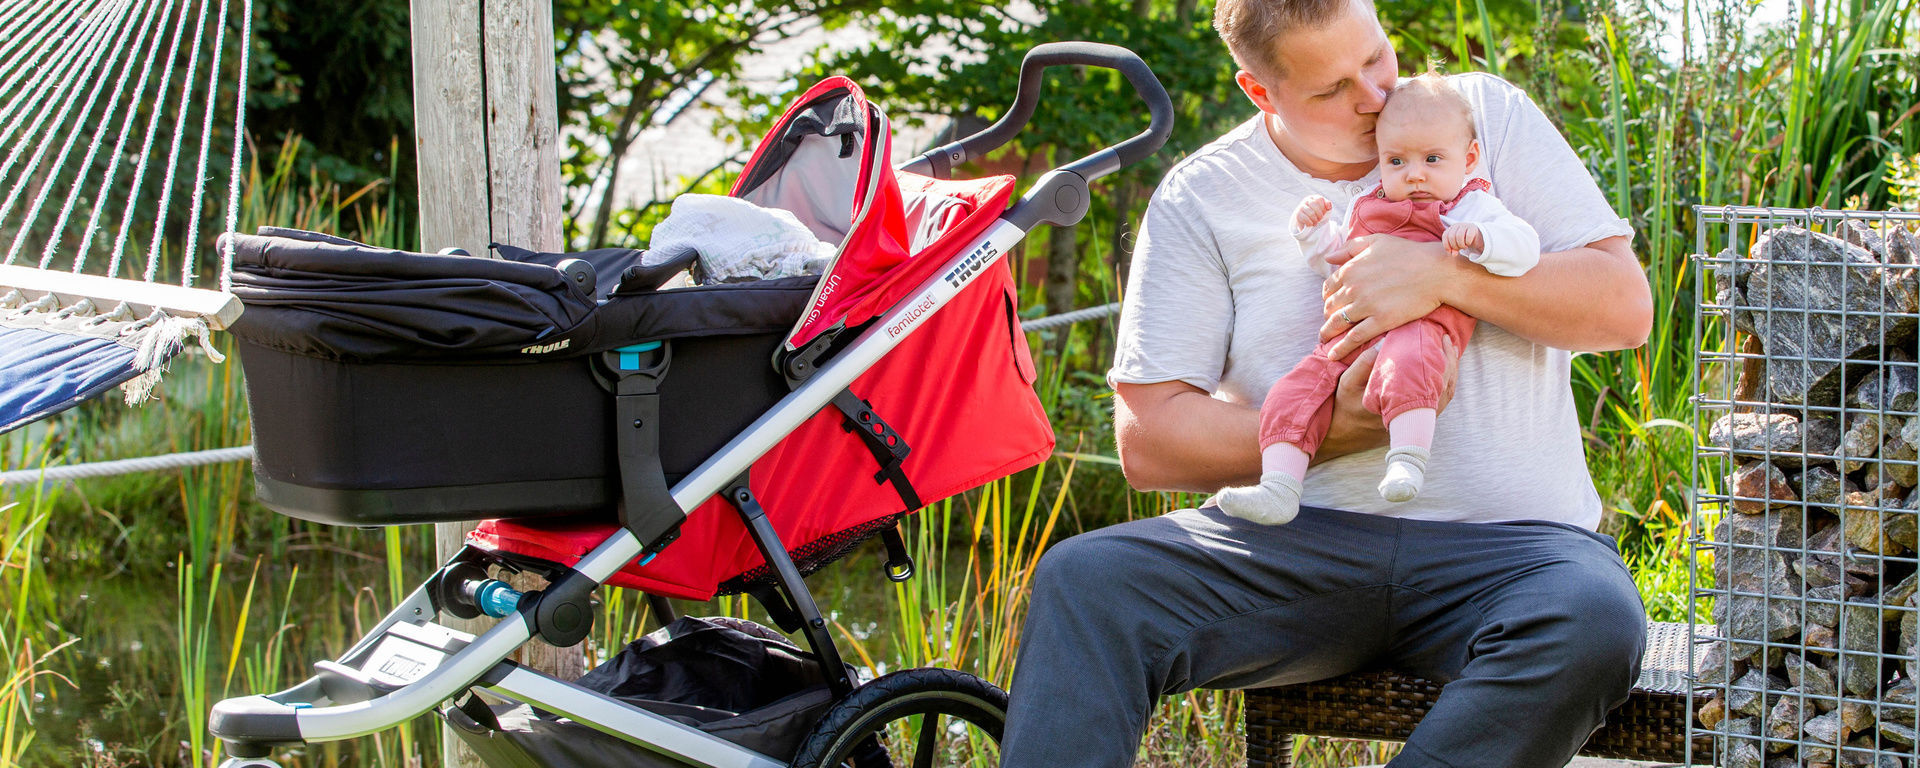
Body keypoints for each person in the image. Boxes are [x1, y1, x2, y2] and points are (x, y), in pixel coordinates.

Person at [997, 0, 1654, 765]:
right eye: (1333, 87)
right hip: (1293, 550)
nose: (1375, 96)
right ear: (1260, 92)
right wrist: (1336, 426)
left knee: (1594, 618)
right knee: (1086, 583)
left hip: (1515, 555)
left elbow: (1623, 307)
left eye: (1376, 57)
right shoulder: (1204, 193)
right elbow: (1149, 441)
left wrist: (1442, 274)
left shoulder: (1483, 118)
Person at [1215, 74, 1541, 526]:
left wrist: (1484, 240)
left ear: (1468, 159)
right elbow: (1336, 263)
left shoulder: (1468, 207)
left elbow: (1525, 247)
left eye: (1432, 158)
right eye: (1396, 160)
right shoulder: (1368, 207)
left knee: (1411, 359)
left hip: (1420, 326)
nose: (1414, 174)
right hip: (1345, 339)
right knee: (1293, 391)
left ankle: (1407, 456)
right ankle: (1279, 488)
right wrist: (1313, 233)